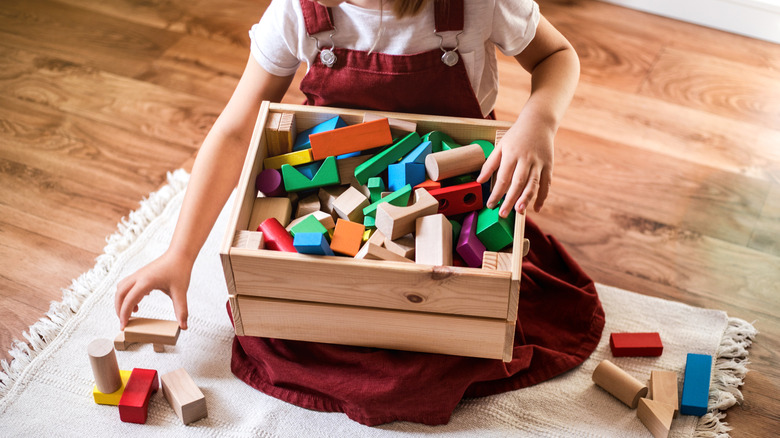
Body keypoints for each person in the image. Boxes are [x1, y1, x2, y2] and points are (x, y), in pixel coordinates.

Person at [116, 0, 604, 426]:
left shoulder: (478, 3)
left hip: (453, 206)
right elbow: (234, 132)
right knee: (292, 322)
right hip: (333, 229)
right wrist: (179, 254)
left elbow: (557, 55)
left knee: (449, 344)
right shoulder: (297, 9)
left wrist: (539, 121)